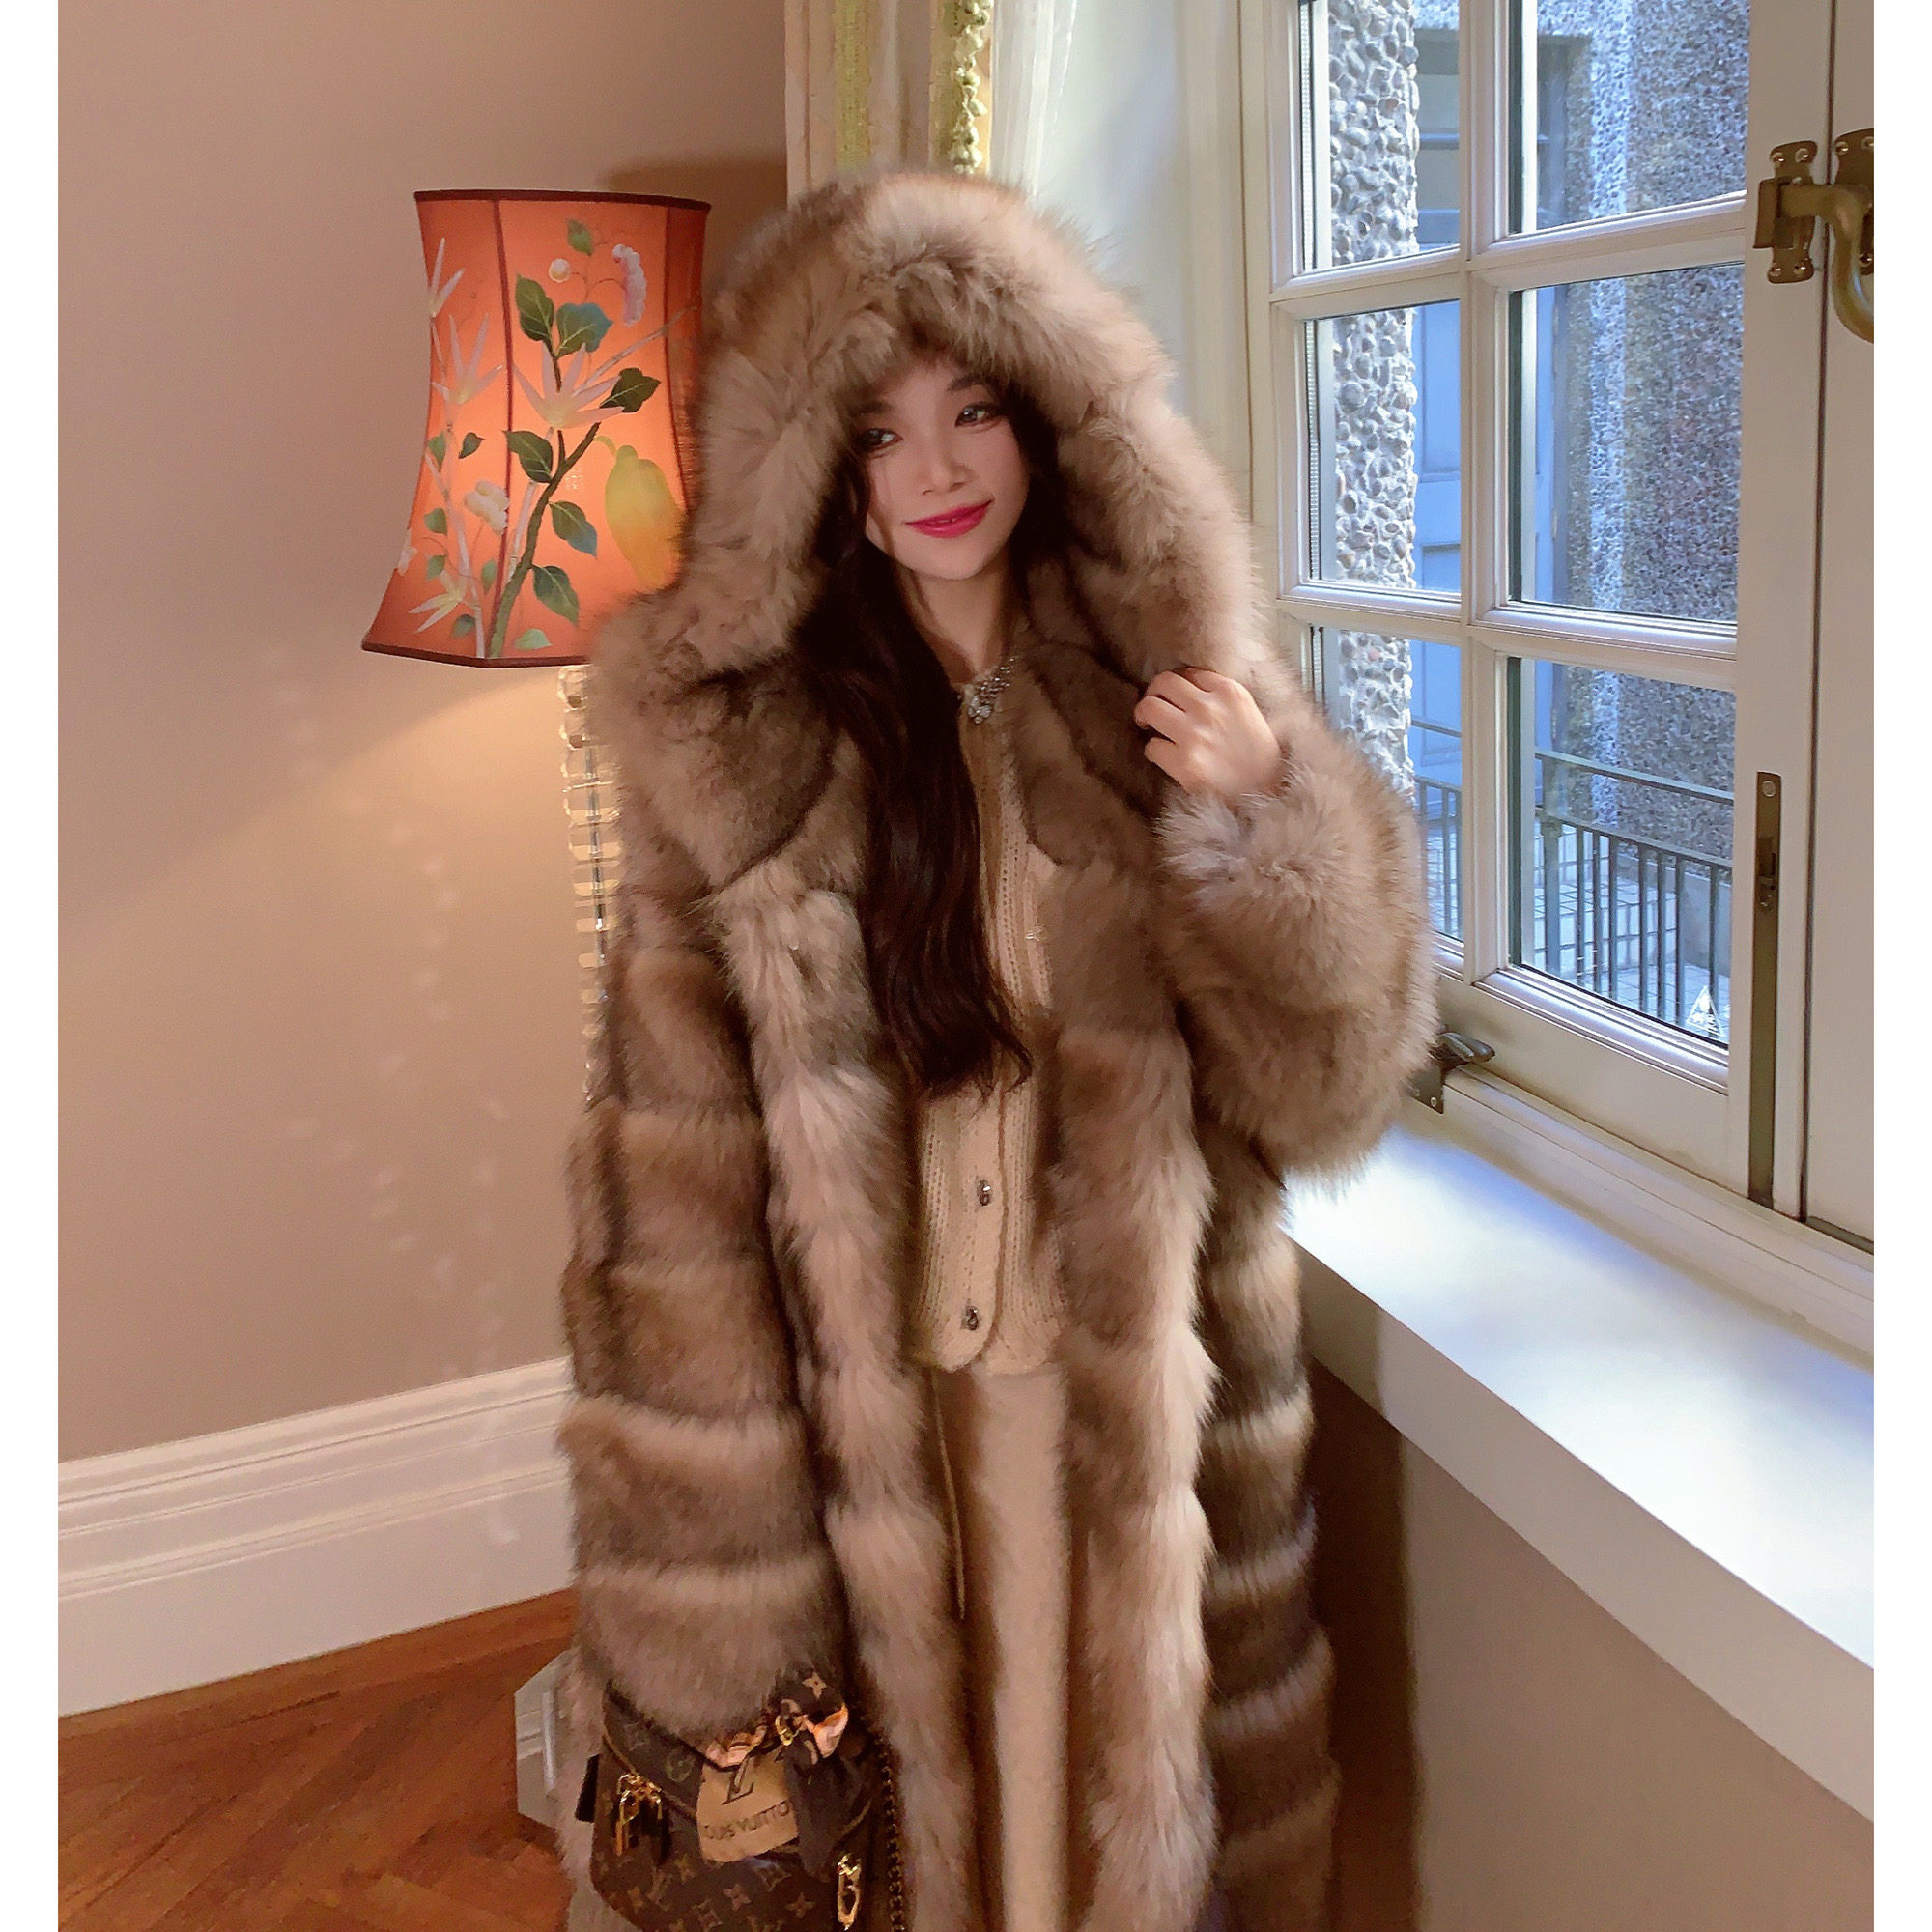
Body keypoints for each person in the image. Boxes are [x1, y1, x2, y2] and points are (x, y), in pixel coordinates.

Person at [553, 169, 1435, 1932]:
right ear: (825, 474)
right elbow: (681, 1189)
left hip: (1117, 1422)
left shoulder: (1166, 707)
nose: (938, 470)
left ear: (1043, 423)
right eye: (881, 433)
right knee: (899, 1846)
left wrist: (1273, 819)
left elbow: (1327, 1093)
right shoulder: (747, 766)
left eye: (973, 411)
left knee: (1095, 1844)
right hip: (873, 1439)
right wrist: (715, 1563)